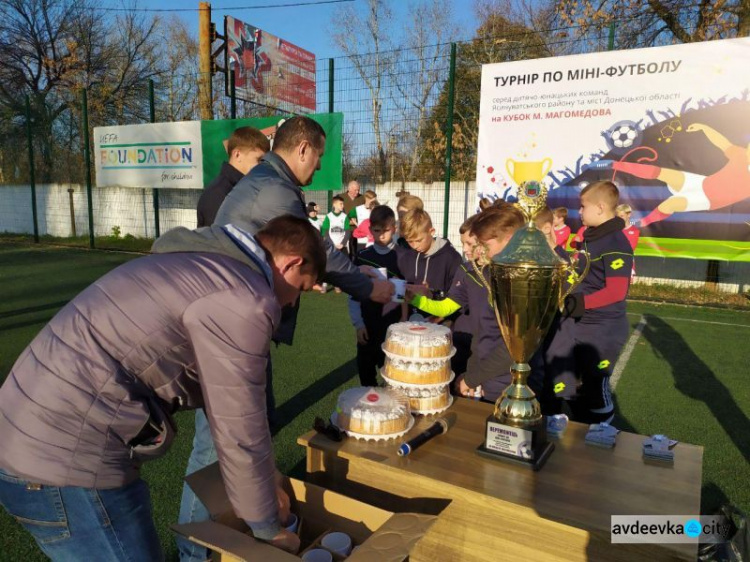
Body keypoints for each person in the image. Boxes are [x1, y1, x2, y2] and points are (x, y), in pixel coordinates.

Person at [0, 215, 326, 561]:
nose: (291, 304)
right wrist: (268, 528)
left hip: (28, 435)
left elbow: (225, 403)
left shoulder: (201, 264)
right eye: (300, 289)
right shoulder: (245, 299)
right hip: (65, 458)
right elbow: (239, 426)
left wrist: (268, 475)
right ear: (292, 262)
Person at [194, 116, 393, 562]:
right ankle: (200, 547)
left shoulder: (269, 182)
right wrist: (368, 286)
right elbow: (315, 253)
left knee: (246, 433)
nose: (319, 166)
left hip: (235, 323)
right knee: (218, 445)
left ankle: (233, 528)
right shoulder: (277, 190)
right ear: (303, 147)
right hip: (227, 330)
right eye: (319, 155)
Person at [547, 180, 634, 424]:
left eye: (583, 206)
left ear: (600, 207)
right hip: (580, 323)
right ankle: (580, 431)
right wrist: (556, 250)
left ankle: (604, 434)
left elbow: (616, 291)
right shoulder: (591, 239)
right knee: (571, 383)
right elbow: (581, 275)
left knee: (596, 389)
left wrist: (578, 303)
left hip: (603, 328)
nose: (579, 212)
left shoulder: (616, 242)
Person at [593, 123, 750, 226]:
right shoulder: (740, 154)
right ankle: (612, 164)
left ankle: (642, 222)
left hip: (708, 199)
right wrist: (704, 128)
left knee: (671, 204)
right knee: (663, 173)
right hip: (702, 183)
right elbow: (722, 142)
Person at [348, 205, 406, 386]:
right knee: (366, 378)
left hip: (393, 329)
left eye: (386, 230)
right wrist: (358, 324)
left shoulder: (404, 256)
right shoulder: (362, 256)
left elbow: (407, 294)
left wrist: (403, 323)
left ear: (394, 228)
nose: (381, 235)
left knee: (394, 381)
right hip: (367, 326)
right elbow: (353, 294)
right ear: (370, 228)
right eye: (376, 230)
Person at [397, 208, 462, 321]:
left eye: (418, 240)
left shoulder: (452, 258)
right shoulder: (406, 257)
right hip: (411, 324)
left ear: (431, 232)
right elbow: (401, 294)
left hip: (441, 325)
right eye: (409, 241)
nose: (414, 246)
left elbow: (458, 298)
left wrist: (431, 294)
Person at [196, 127, 270, 227]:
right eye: (259, 160)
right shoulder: (217, 194)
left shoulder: (248, 187)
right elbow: (219, 240)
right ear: (237, 155)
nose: (262, 165)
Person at [341, 180, 365, 257]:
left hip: (356, 227)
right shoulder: (341, 198)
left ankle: (354, 261)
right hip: (344, 227)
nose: (357, 192)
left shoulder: (362, 198)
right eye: (355, 190)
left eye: (358, 190)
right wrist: (348, 222)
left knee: (354, 248)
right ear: (349, 189)